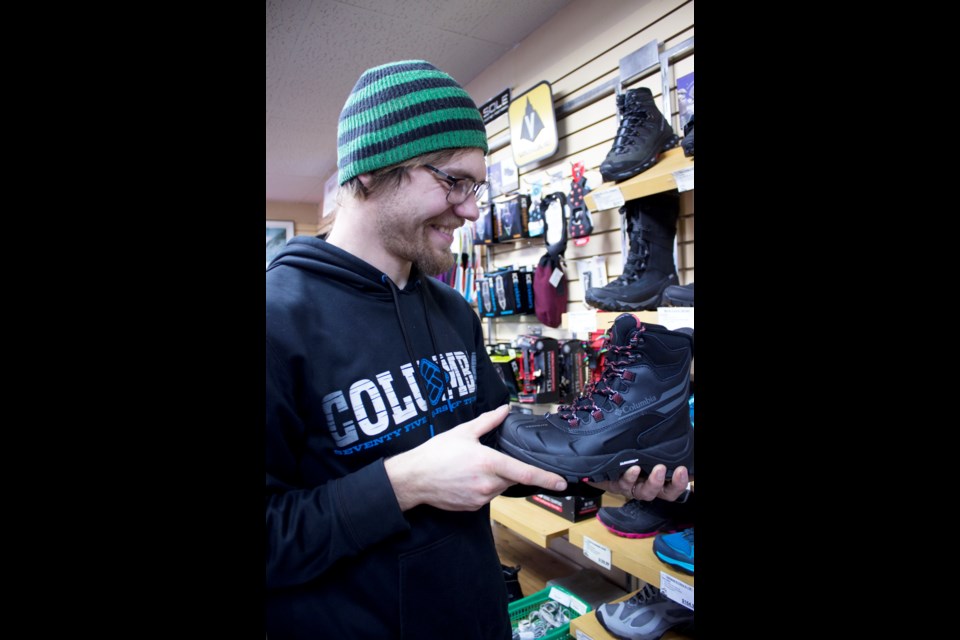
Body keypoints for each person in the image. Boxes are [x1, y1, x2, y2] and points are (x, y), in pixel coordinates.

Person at [265, 59, 690, 640]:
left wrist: (595, 474)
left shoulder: (450, 310)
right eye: (453, 181)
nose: (470, 209)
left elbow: (493, 457)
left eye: (477, 187)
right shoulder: (276, 319)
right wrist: (401, 484)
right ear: (369, 171)